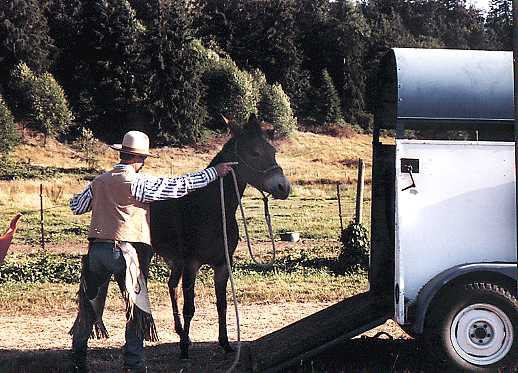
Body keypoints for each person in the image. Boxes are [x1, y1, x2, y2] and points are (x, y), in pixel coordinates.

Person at [68, 130, 236, 373]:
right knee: (137, 311)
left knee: (89, 305)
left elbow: (76, 206)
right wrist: (213, 173)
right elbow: (178, 186)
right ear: (141, 159)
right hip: (126, 252)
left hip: (96, 252)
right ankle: (134, 365)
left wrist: (101, 195)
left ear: (122, 153)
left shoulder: (99, 181)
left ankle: (77, 358)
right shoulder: (139, 183)